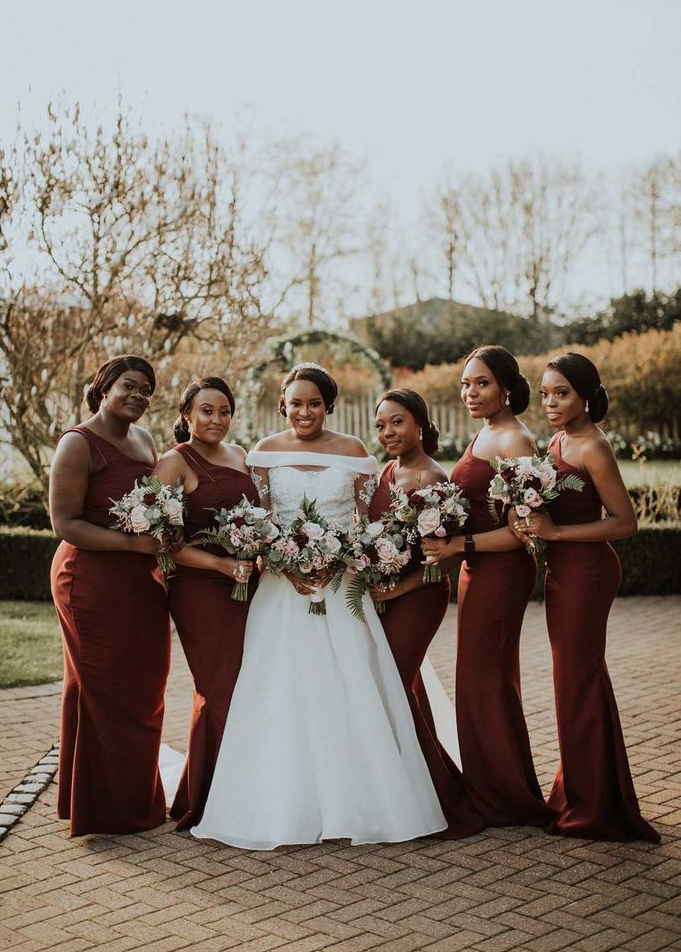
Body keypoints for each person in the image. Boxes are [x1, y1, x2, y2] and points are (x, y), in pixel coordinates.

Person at [186, 363, 449, 849]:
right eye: (295, 403)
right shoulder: (262, 453)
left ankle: (363, 801)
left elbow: (368, 523)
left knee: (349, 683)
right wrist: (285, 562)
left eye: (314, 403)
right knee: (278, 686)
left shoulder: (355, 452)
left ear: (328, 405)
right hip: (281, 590)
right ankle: (275, 803)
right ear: (282, 404)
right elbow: (259, 520)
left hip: (340, 584)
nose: (304, 412)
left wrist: (340, 560)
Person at [511, 353, 660, 842]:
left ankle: (596, 806)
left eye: (563, 394)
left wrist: (555, 531)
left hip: (589, 573)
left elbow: (626, 522)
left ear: (586, 396)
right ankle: (580, 789)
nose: (551, 403)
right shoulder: (557, 439)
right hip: (563, 570)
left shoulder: (593, 445)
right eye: (547, 392)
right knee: (574, 681)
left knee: (578, 680)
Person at [422, 345, 554, 828]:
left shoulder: (515, 440)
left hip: (499, 571)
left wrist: (458, 543)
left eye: (481, 383)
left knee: (487, 682)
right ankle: (495, 784)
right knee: (482, 681)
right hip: (476, 569)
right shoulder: (488, 431)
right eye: (465, 384)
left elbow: (522, 532)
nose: (470, 392)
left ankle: (505, 797)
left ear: (505, 386)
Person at [49, 355, 170, 836]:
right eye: (129, 386)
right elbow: (65, 523)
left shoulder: (144, 440)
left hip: (140, 583)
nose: (138, 396)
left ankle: (133, 798)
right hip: (89, 580)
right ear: (103, 387)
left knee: (143, 685)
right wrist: (131, 543)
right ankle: (104, 810)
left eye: (147, 391)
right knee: (102, 688)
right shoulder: (77, 444)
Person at [370, 389, 485, 839]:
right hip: (385, 594)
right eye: (381, 425)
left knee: (391, 686)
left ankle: (437, 796)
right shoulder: (388, 469)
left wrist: (398, 587)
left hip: (418, 596)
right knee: (404, 688)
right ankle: (401, 789)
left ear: (420, 422)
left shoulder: (432, 478)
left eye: (397, 422)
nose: (388, 433)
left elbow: (446, 557)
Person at [152, 377, 259, 830]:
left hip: (246, 587)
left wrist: (254, 552)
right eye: (206, 411)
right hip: (199, 588)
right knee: (217, 689)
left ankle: (240, 788)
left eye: (224, 411)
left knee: (246, 685)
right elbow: (163, 541)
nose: (216, 420)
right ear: (187, 415)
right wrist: (219, 566)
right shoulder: (173, 464)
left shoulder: (240, 456)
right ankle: (206, 798)